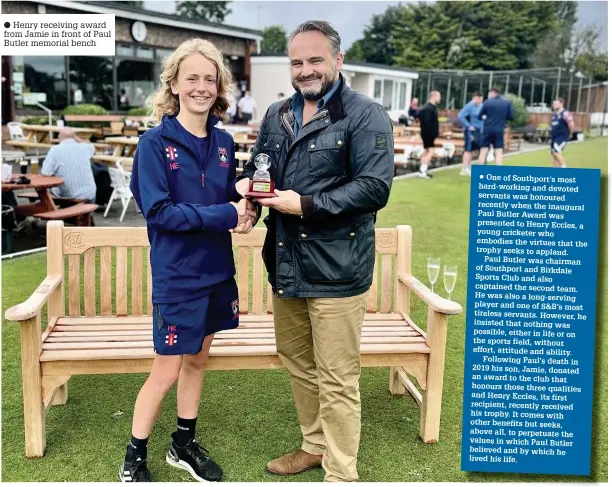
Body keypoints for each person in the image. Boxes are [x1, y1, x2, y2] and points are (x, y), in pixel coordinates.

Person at [235, 20, 394, 482]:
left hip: (338, 267)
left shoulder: (365, 114)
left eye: (315, 60)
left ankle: (341, 473)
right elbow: (259, 167)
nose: (305, 70)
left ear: (337, 61)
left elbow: (373, 188)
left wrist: (302, 204)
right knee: (297, 359)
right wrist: (249, 196)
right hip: (286, 261)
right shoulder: (277, 114)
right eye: (297, 62)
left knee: (338, 376)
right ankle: (315, 445)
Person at [122, 38, 257, 482]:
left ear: (219, 86)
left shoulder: (223, 140)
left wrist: (245, 199)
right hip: (178, 277)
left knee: (198, 362)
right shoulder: (154, 144)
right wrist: (226, 212)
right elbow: (160, 213)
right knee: (167, 368)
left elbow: (220, 195)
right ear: (174, 84)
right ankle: (134, 458)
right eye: (191, 78)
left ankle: (182, 445)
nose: (201, 86)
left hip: (218, 273)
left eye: (209, 78)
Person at [40, 127, 97, 202]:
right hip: (89, 195)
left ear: (59, 137)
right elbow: (92, 146)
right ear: (74, 137)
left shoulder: (55, 150)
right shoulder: (84, 147)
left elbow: (45, 173)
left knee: (45, 191)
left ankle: (51, 210)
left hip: (69, 197)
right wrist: (75, 137)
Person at [477, 87, 514, 166]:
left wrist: (485, 117)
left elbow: (479, 116)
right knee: (498, 151)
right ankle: (497, 173)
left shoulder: (487, 102)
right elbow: (511, 117)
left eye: (489, 94)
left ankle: (479, 172)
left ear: (492, 93)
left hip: (487, 130)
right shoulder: (507, 103)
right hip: (499, 130)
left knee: (484, 150)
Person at [457, 91, 484, 176]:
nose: (478, 101)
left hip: (480, 131)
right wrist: (468, 126)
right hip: (471, 131)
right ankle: (465, 168)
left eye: (480, 99)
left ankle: (472, 167)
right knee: (468, 149)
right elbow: (460, 116)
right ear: (473, 98)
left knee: (479, 149)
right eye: (476, 99)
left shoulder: (482, 106)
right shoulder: (469, 106)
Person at [417, 90, 440, 179]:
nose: (439, 98)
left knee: (426, 151)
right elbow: (427, 122)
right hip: (428, 132)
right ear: (433, 96)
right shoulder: (428, 109)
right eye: (438, 96)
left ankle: (422, 169)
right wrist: (432, 133)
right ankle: (423, 170)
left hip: (427, 132)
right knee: (431, 151)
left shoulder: (430, 108)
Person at [550, 97, 574, 168]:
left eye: (556, 103)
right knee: (554, 154)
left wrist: (570, 133)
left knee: (556, 152)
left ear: (561, 104)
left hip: (562, 137)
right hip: (554, 137)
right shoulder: (554, 114)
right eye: (553, 104)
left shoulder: (566, 113)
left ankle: (564, 169)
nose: (554, 105)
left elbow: (571, 124)